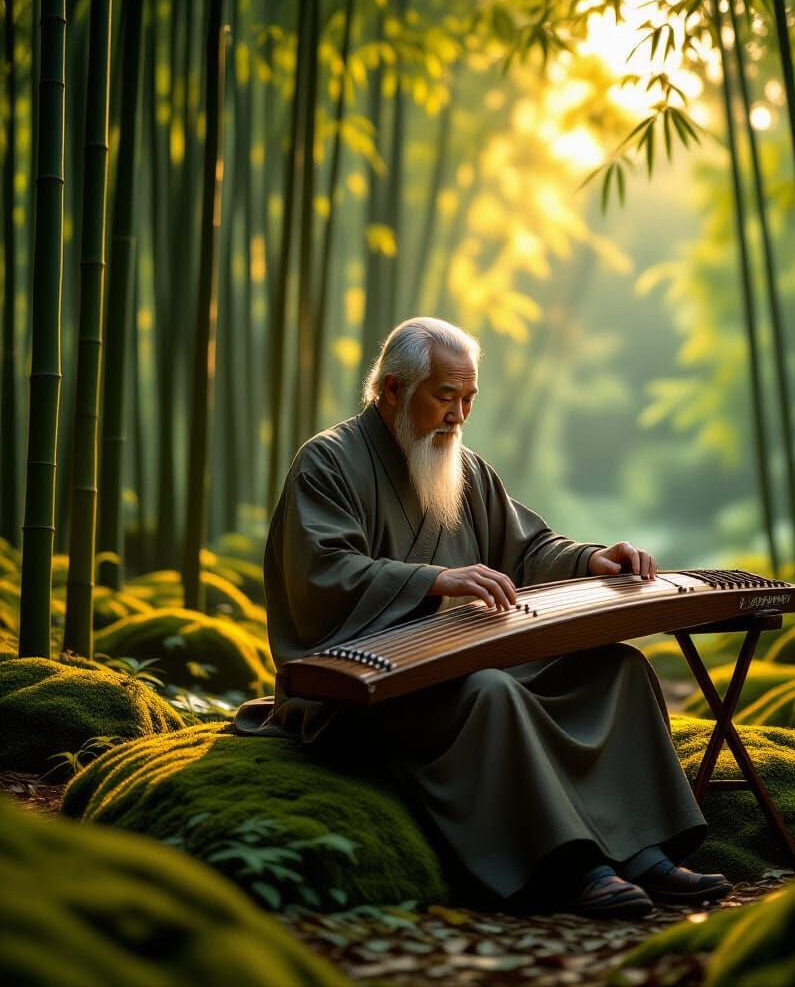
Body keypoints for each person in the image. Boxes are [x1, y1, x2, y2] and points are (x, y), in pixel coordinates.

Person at [232, 317, 731, 918]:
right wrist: (434, 579)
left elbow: (525, 548)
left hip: (454, 657)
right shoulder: (329, 462)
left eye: (469, 399)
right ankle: (565, 865)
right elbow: (320, 573)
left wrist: (593, 559)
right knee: (492, 693)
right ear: (392, 390)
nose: (459, 416)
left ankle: (642, 848)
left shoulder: (462, 468)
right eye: (446, 397)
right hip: (368, 684)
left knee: (614, 669)